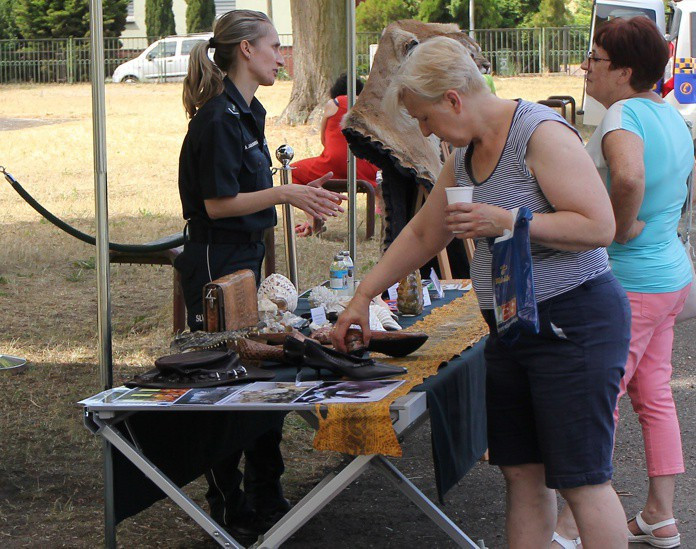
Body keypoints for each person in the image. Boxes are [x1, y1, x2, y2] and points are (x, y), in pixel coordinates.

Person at [331, 36, 632, 548]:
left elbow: (599, 226)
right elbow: (427, 233)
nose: (425, 132)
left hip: (574, 321)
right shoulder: (466, 157)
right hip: (512, 326)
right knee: (521, 473)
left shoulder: (540, 133)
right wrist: (363, 296)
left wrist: (509, 220)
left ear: (453, 98)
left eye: (425, 118)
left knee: (582, 480)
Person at [174, 9, 345, 543]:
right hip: (216, 261)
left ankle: (265, 492)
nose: (281, 55)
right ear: (245, 49)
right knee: (227, 378)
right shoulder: (218, 118)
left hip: (245, 256)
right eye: (274, 45)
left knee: (263, 372)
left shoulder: (249, 112)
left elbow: (246, 199)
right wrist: (287, 191)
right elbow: (218, 204)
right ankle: (227, 505)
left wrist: (298, 200)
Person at [552, 17, 696, 549]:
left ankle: (572, 525)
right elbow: (693, 192)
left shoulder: (621, 114)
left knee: (598, 398)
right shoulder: (672, 114)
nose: (586, 67)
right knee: (655, 396)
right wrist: (646, 222)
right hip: (668, 279)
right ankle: (660, 514)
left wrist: (611, 229)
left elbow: (630, 177)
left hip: (630, 282)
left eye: (595, 58)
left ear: (625, 70)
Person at [290, 73, 380, 236]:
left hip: (333, 165)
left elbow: (324, 138)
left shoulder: (334, 104)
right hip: (364, 165)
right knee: (380, 174)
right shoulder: (367, 105)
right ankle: (380, 209)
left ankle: (312, 217)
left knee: (292, 171)